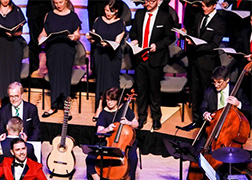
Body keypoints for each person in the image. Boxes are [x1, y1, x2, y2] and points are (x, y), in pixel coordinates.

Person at [129, 0, 174, 131]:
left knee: (154, 91)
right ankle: (141, 117)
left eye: (151, 1)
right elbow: (133, 31)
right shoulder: (139, 14)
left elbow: (170, 37)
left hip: (155, 59)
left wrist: (157, 46)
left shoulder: (165, 16)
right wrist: (134, 39)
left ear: (158, 1)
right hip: (140, 58)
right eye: (146, 1)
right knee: (141, 91)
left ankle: (156, 118)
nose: (148, 3)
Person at [86, 87, 138, 180]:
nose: (109, 102)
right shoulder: (103, 113)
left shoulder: (125, 108)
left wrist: (128, 122)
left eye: (112, 100)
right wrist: (107, 129)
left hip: (125, 141)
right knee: (89, 159)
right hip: (108, 142)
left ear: (118, 100)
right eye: (108, 100)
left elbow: (136, 124)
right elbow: (99, 133)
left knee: (132, 158)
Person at [182, 0, 225, 130]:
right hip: (195, 61)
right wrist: (186, 35)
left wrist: (196, 45)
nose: (204, 8)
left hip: (208, 63)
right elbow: (194, 33)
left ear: (214, 5)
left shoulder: (220, 21)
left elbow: (214, 45)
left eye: (207, 6)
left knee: (208, 93)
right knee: (195, 91)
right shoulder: (199, 16)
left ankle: (209, 122)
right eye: (202, 6)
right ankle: (196, 120)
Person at [39, 0, 81, 120]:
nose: (58, 5)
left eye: (61, 2)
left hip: (67, 50)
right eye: (56, 3)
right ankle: (53, 106)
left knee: (65, 78)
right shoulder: (49, 14)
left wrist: (74, 36)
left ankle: (66, 109)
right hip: (53, 50)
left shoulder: (73, 16)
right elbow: (44, 32)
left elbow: (77, 34)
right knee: (54, 77)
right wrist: (40, 38)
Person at [0, 0, 26, 115]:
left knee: (13, 72)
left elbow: (20, 32)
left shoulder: (17, 10)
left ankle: (14, 100)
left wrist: (13, 33)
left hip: (12, 44)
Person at [87, 0, 125, 122]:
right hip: (100, 54)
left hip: (112, 55)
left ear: (117, 10)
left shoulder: (120, 23)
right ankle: (99, 106)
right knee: (100, 81)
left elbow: (117, 42)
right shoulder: (98, 20)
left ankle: (115, 108)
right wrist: (90, 38)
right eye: (106, 10)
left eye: (111, 11)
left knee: (112, 81)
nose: (108, 13)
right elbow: (93, 38)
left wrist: (108, 44)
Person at [26, 0, 52, 74]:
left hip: (47, 11)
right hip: (33, 12)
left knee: (50, 41)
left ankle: (50, 66)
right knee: (34, 42)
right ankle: (33, 67)